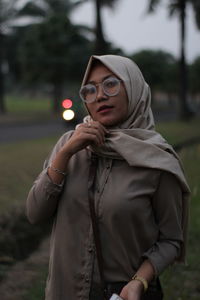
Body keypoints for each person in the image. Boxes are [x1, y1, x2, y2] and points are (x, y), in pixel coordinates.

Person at [26, 54, 190, 300]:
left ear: (133, 88)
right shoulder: (68, 146)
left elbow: (171, 240)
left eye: (111, 84)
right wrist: (67, 152)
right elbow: (35, 213)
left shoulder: (157, 160)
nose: (100, 95)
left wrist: (139, 281)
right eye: (89, 90)